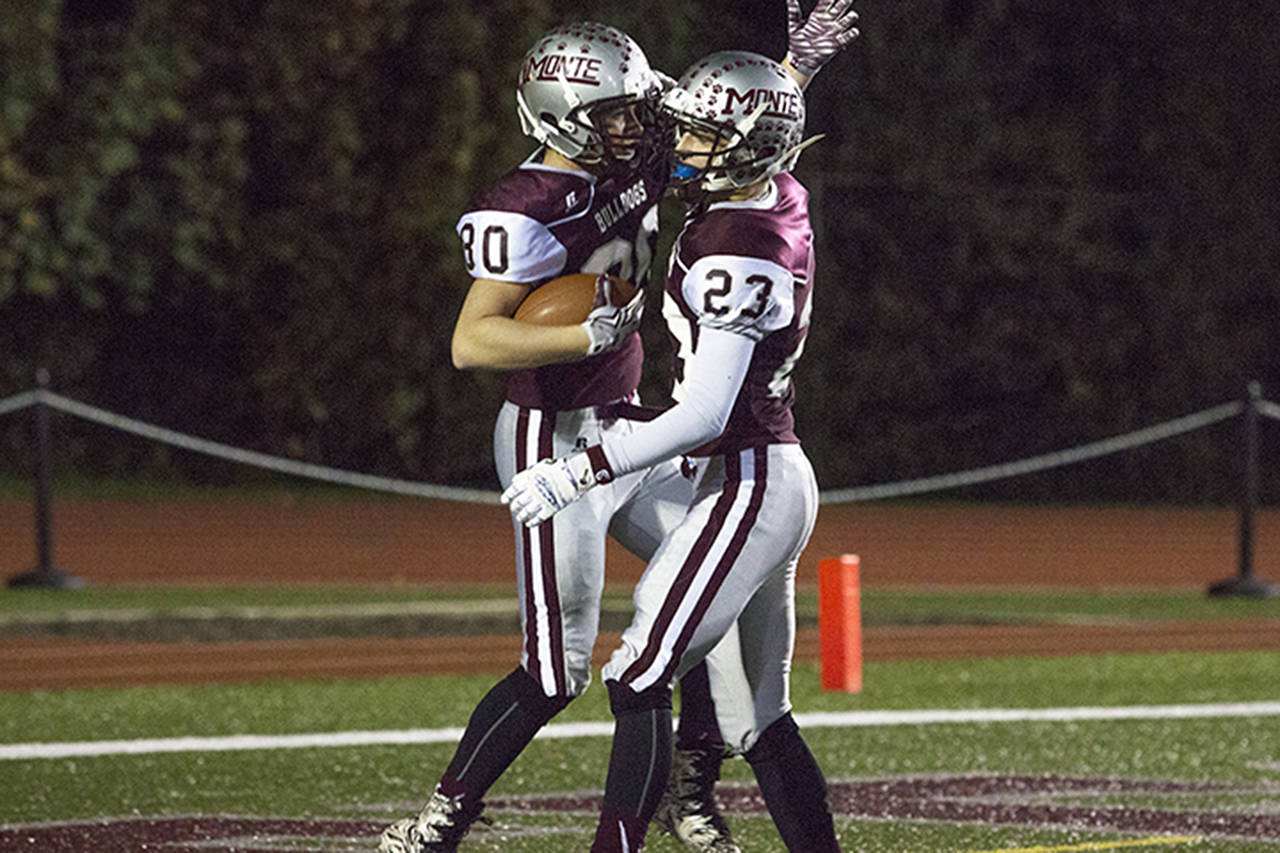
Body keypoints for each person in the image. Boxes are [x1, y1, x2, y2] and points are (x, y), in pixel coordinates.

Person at [379, 21, 727, 853]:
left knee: (714, 590)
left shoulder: (634, 159)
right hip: (552, 441)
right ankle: (443, 816)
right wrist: (584, 337)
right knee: (556, 671)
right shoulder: (522, 205)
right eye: (616, 115)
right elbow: (474, 343)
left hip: (631, 427)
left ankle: (691, 792)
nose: (637, 129)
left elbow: (728, 140)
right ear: (565, 113)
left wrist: (790, 74)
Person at [502, 44, 848, 852]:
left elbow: (700, 413)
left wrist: (577, 469)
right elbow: (764, 132)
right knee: (759, 718)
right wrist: (792, 72)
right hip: (769, 473)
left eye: (701, 138)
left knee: (636, 672)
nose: (685, 148)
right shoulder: (779, 193)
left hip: (747, 479)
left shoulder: (735, 247)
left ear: (747, 148)